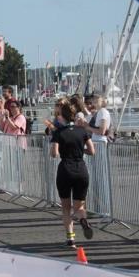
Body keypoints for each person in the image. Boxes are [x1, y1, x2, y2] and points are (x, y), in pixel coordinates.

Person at [50, 100, 95, 248]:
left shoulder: (58, 132)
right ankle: (83, 220)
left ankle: (71, 239)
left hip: (65, 170)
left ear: (62, 116)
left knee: (65, 207)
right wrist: (80, 150)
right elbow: (92, 151)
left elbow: (54, 153)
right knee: (79, 206)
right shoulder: (83, 131)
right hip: (81, 170)